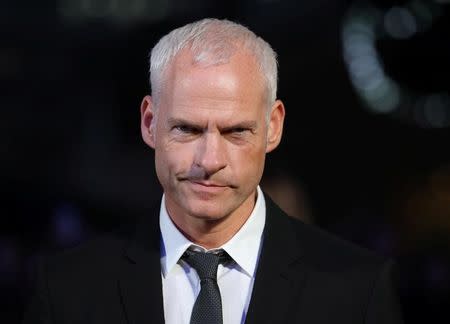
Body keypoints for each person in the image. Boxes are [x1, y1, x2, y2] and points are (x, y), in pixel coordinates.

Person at [23, 18, 403, 324]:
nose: (209, 160)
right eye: (187, 129)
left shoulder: (357, 291)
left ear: (273, 127)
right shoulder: (68, 290)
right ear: (149, 122)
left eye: (236, 131)